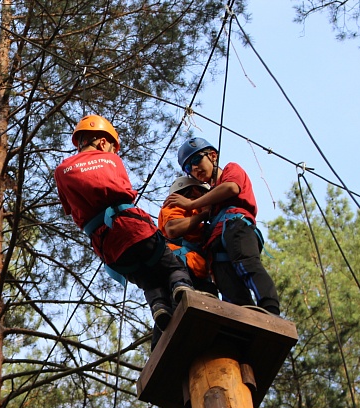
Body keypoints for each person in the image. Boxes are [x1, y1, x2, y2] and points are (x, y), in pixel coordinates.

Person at [54, 115, 194, 334]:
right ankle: (182, 288)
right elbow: (126, 191)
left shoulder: (61, 171)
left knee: (148, 279)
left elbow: (70, 209)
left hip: (107, 245)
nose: (112, 151)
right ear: (102, 142)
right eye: (111, 146)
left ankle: (159, 308)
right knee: (172, 266)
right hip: (131, 227)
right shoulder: (112, 160)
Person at [164, 138, 280, 315]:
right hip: (215, 242)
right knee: (228, 286)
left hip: (235, 225)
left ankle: (270, 307)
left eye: (196, 160)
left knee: (247, 264)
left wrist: (190, 205)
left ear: (212, 156)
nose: (194, 169)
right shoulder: (208, 198)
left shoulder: (230, 170)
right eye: (189, 168)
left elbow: (231, 188)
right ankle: (242, 320)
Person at [158, 176, 217, 296]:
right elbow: (173, 229)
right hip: (181, 267)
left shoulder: (199, 215)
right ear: (195, 190)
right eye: (204, 193)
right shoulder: (176, 204)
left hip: (198, 272)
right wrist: (203, 214)